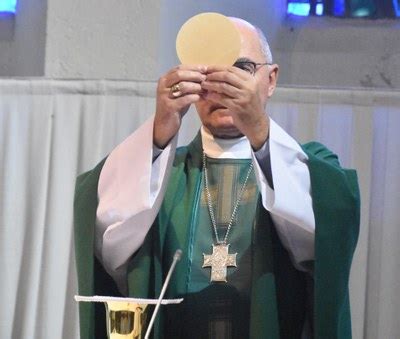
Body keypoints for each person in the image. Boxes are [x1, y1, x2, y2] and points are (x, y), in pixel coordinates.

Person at [74, 17, 360, 339]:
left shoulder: (308, 170)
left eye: (241, 69)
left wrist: (261, 133)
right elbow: (105, 236)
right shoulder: (157, 176)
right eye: (208, 74)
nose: (223, 87)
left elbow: (325, 240)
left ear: (271, 80)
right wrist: (157, 136)